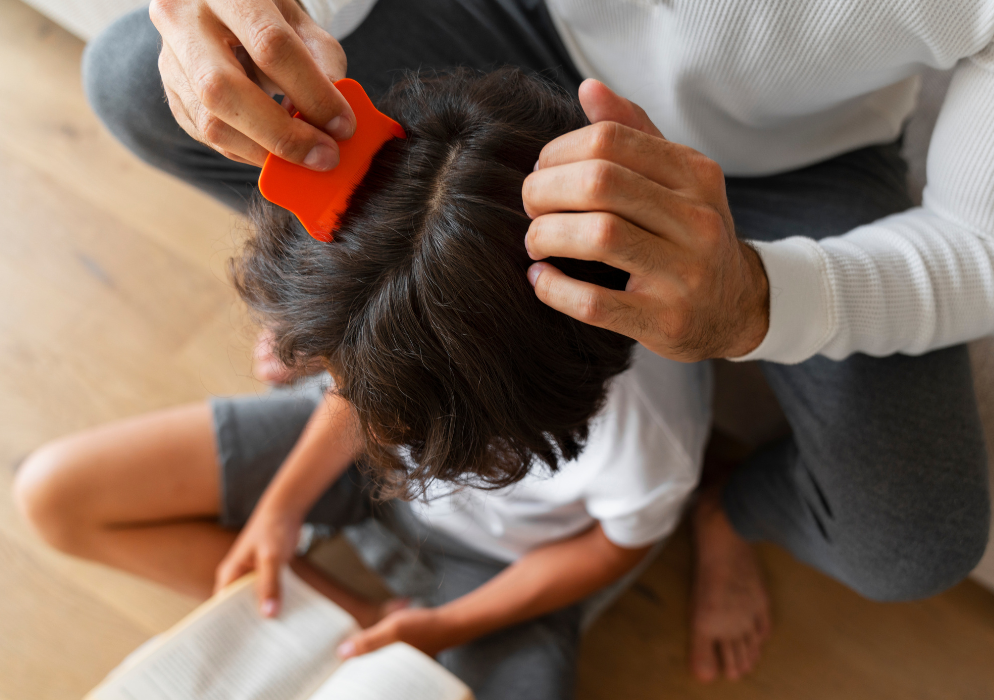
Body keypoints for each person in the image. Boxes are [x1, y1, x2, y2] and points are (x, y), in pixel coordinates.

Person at [78, 0, 994, 683]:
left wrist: (759, 299)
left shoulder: (641, 455)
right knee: (132, 75)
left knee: (910, 540)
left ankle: (726, 504)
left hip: (798, 158)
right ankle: (392, 304)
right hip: (511, 25)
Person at [14, 69, 712, 700]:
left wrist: (442, 629)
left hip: (504, 566)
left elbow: (612, 545)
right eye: (344, 377)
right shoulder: (405, 324)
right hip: (350, 470)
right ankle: (351, 623)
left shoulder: (651, 433)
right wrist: (282, 508)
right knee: (54, 493)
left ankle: (363, 633)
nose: (360, 405)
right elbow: (362, 397)